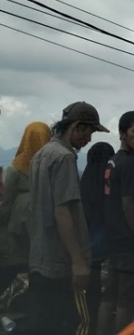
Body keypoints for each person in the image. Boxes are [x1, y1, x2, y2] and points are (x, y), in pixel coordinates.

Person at [28, 101, 109, 334]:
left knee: (44, 324)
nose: (89, 139)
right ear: (76, 127)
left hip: (40, 259)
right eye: (89, 131)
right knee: (76, 323)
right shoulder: (65, 157)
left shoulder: (41, 154)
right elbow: (62, 211)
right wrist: (78, 261)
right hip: (62, 263)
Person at [98, 111, 134, 334]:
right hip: (129, 242)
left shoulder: (112, 162)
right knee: (127, 301)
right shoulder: (128, 164)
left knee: (110, 294)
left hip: (113, 239)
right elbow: (128, 205)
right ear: (122, 134)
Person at [0, 122, 51, 295]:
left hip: (27, 229)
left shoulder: (48, 165)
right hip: (21, 231)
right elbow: (6, 202)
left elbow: (5, 203)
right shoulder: (18, 168)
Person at [79, 142, 116, 335]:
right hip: (105, 245)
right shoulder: (109, 179)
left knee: (89, 293)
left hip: (87, 245)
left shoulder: (85, 179)